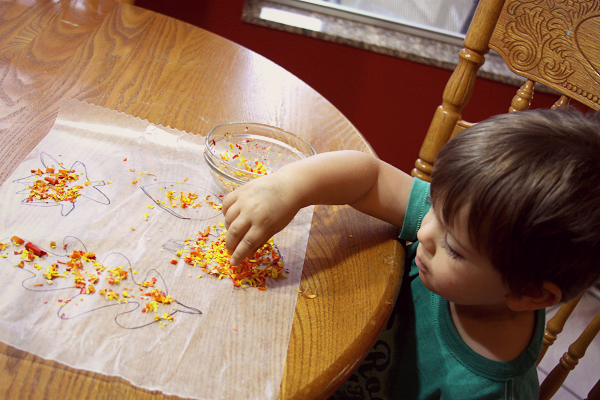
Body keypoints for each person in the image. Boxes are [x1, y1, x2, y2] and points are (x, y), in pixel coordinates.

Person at [221, 108, 600, 399]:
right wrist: (288, 187)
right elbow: (369, 176)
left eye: (453, 248)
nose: (424, 231)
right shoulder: (467, 225)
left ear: (530, 293)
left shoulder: (484, 392)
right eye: (434, 207)